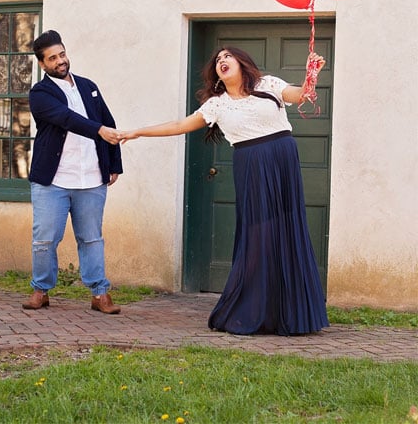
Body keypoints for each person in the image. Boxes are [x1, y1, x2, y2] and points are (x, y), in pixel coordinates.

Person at [119, 46, 329, 336]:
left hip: (282, 159)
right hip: (252, 165)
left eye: (227, 56)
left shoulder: (267, 84)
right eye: (217, 59)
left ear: (242, 62)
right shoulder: (217, 105)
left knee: (287, 230)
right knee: (259, 236)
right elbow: (180, 125)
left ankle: (292, 314)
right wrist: (138, 131)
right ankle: (254, 310)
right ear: (216, 73)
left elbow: (299, 94)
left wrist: (311, 76)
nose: (222, 61)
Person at [23, 29, 123, 314]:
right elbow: (66, 119)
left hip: (91, 177)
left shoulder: (88, 86)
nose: (60, 61)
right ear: (42, 64)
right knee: (45, 239)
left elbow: (108, 122)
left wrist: (113, 164)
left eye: (62, 54)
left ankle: (99, 294)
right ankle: (41, 289)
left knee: (91, 237)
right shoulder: (40, 93)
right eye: (53, 58)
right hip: (53, 180)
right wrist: (99, 130)